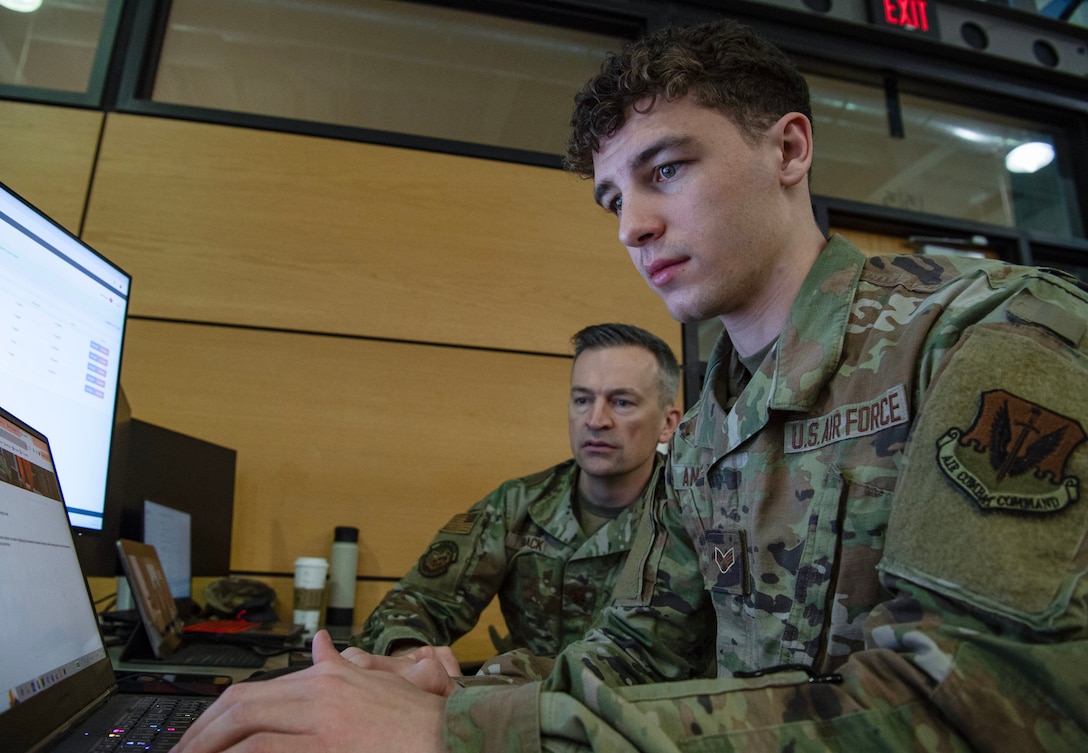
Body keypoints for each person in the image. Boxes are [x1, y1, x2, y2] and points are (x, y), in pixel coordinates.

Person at [174, 18, 1088, 753]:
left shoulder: (990, 334)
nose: (633, 227)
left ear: (790, 149)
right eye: (614, 198)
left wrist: (454, 731)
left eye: (668, 169)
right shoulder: (702, 429)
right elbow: (641, 647)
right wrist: (447, 683)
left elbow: (970, 708)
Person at [351, 322, 682, 661]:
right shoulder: (518, 505)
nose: (596, 420)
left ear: (668, 424)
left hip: (636, 711)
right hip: (515, 704)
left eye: (622, 402)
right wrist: (409, 655)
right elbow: (420, 600)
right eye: (582, 399)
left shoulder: (691, 514)